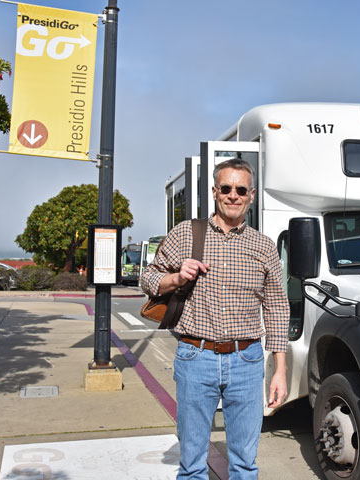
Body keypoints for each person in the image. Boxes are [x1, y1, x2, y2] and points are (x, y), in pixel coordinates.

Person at [141, 158, 289, 480]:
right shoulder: (185, 234)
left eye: (240, 189)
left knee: (245, 465)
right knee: (192, 465)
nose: (233, 195)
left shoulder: (264, 247)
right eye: (226, 188)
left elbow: (277, 307)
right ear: (215, 192)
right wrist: (176, 278)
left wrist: (280, 369)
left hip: (247, 360)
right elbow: (148, 278)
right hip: (195, 357)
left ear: (250, 195)